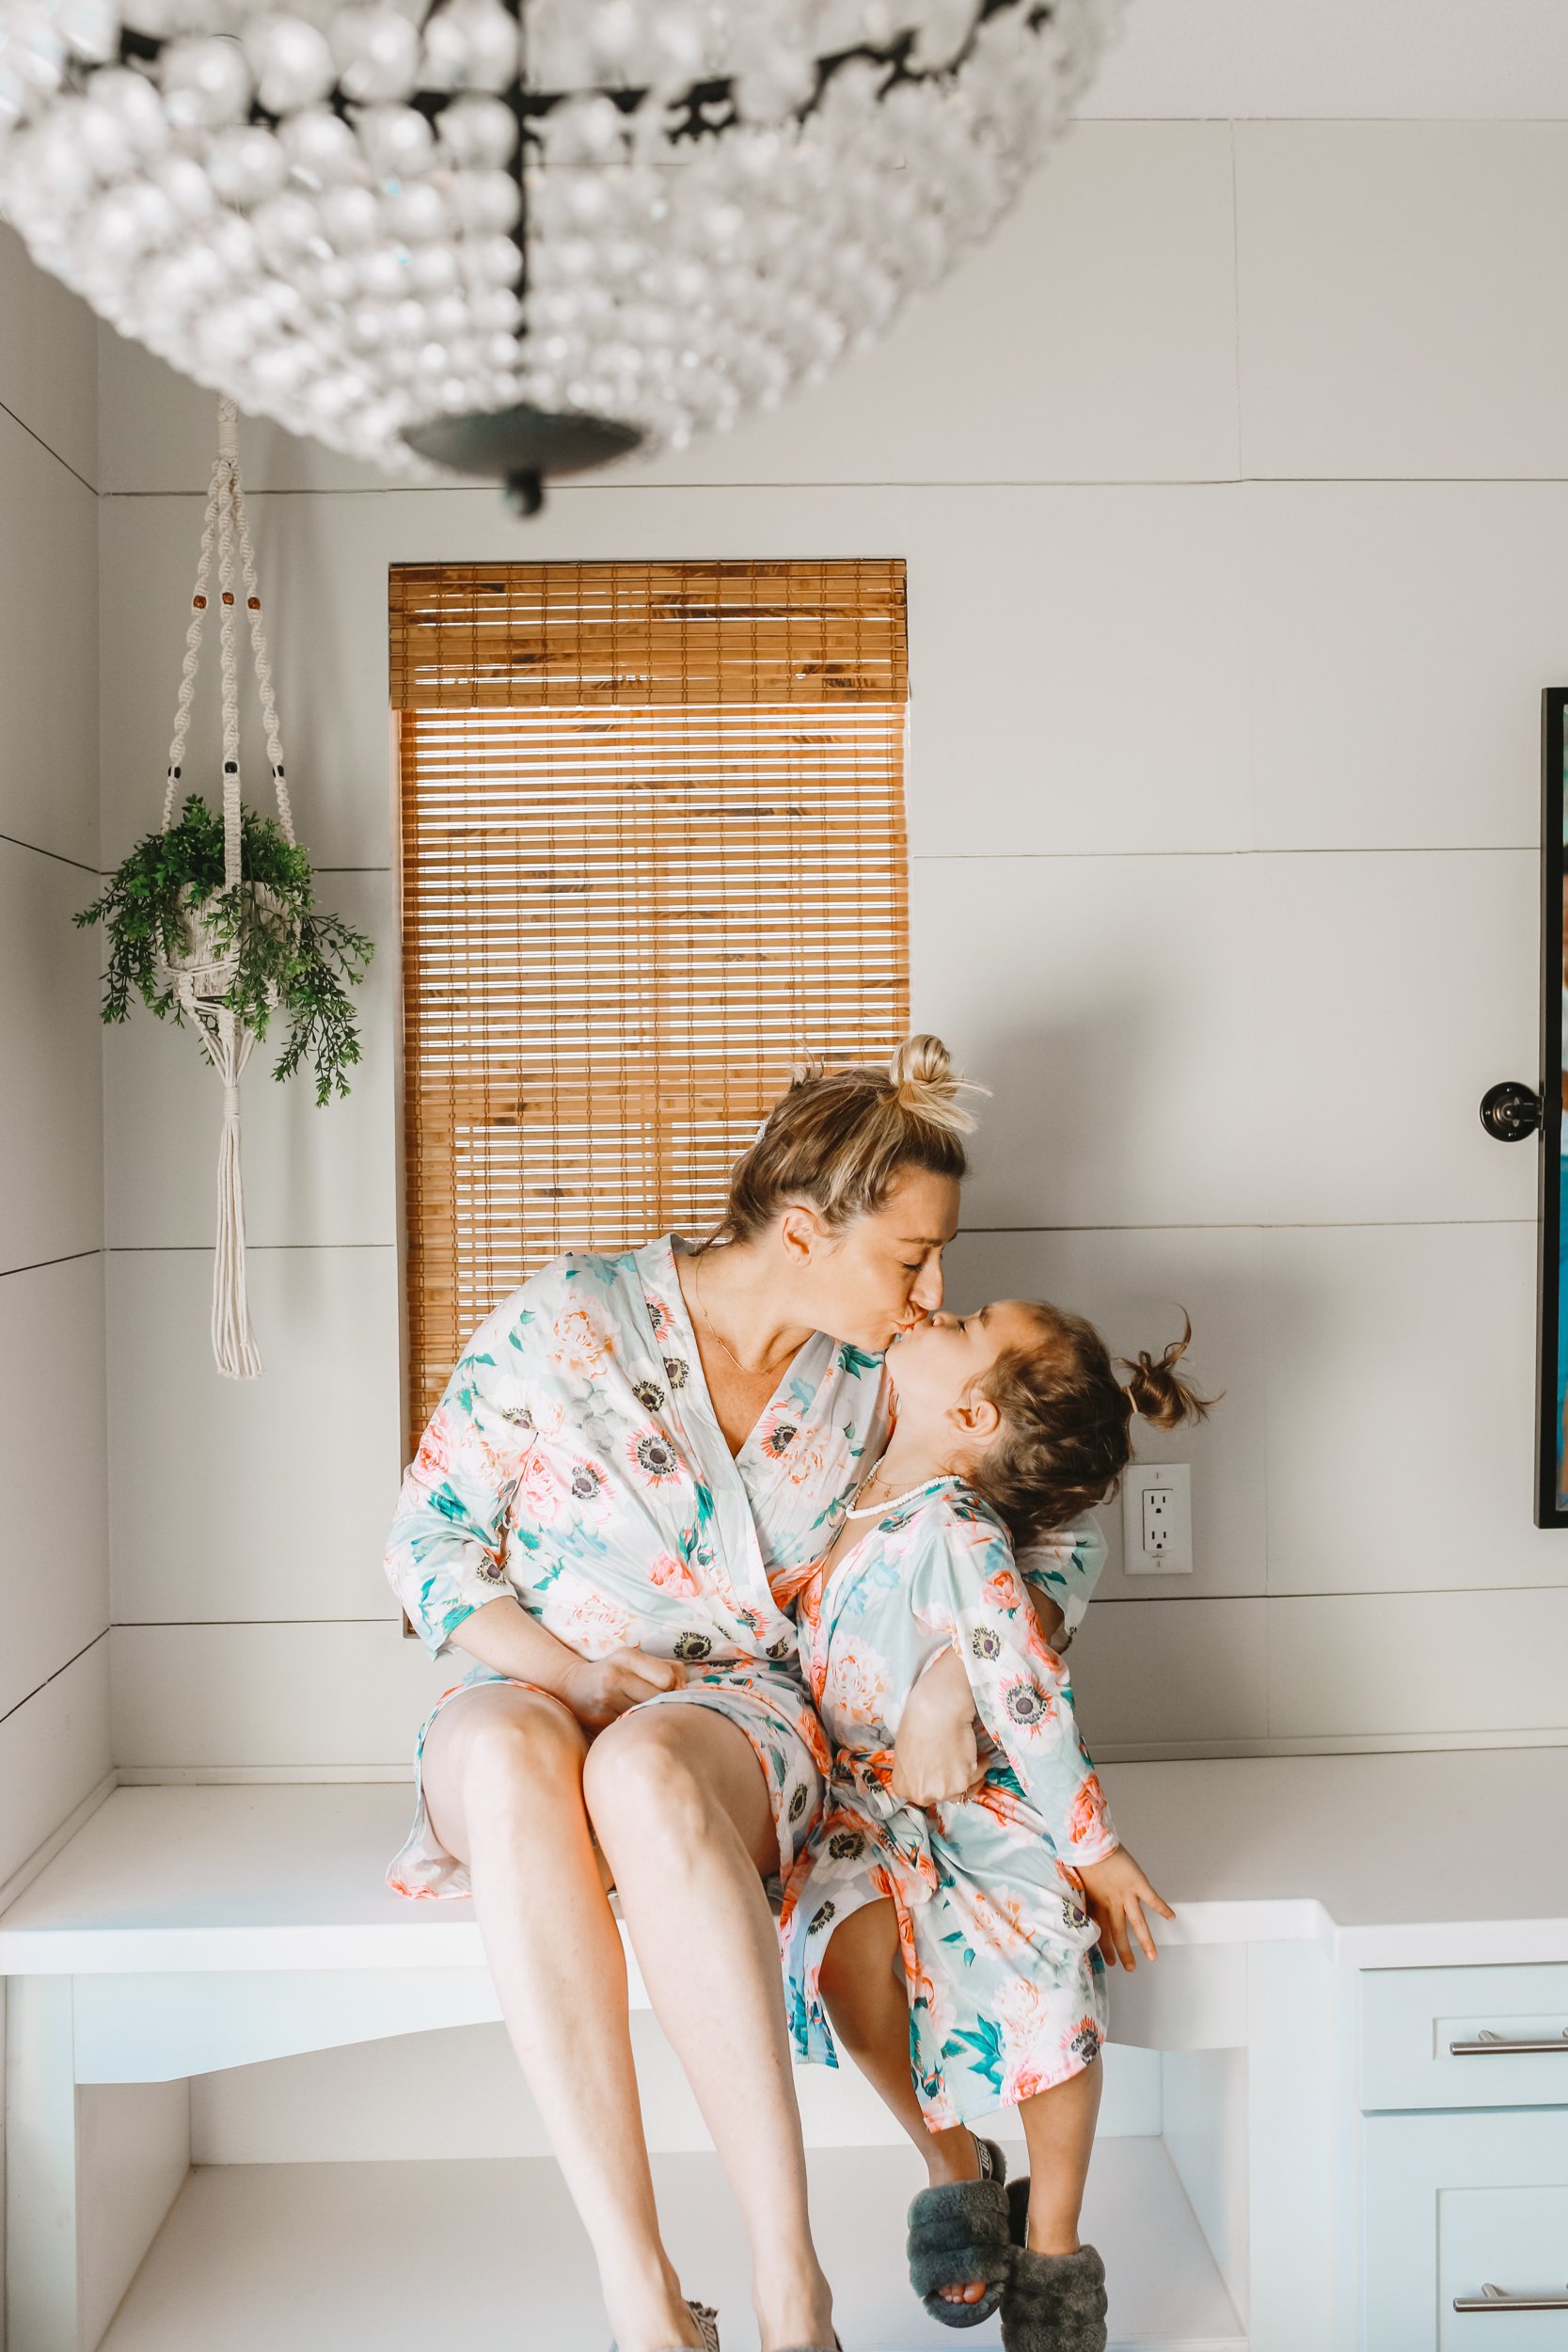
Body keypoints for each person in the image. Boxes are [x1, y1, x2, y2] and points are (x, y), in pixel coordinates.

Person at [383, 1037, 976, 2352]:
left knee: (640, 1771)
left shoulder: (880, 1372)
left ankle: (787, 2291)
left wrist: (948, 1676)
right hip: (532, 1688)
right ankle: (641, 2297)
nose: (934, 1289)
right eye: (908, 1256)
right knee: (507, 1756)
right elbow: (422, 1547)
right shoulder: (567, 1318)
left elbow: (1038, 1528)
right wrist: (577, 1672)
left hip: (728, 1723)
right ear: (804, 1231)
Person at [778, 1298, 1212, 2352]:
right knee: (839, 1956)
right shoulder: (847, 1478)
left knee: (1043, 1970)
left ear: (972, 1413)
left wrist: (1090, 1849)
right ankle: (955, 2163)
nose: (934, 1307)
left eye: (965, 1320)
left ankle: (1054, 2241)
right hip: (858, 1803)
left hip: (982, 1793)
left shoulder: (960, 1527)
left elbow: (1023, 1689)